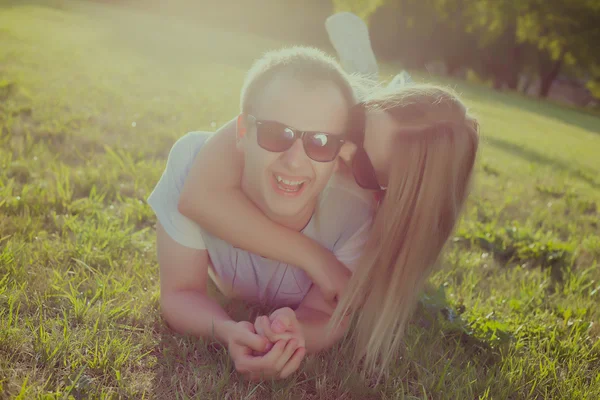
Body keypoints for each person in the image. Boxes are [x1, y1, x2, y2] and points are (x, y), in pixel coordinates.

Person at [177, 80, 480, 376]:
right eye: (356, 128)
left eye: (363, 166)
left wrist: (298, 335)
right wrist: (316, 259)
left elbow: (329, 314)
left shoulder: (369, 220)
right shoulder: (322, 99)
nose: (343, 151)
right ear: (364, 108)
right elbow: (198, 196)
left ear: (385, 197)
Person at [147, 46, 376, 381]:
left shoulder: (355, 211)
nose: (295, 161)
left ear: (340, 152)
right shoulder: (193, 162)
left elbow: (327, 313)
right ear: (242, 132)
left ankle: (365, 68)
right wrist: (226, 331)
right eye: (276, 134)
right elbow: (181, 292)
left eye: (321, 142)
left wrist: (298, 336)